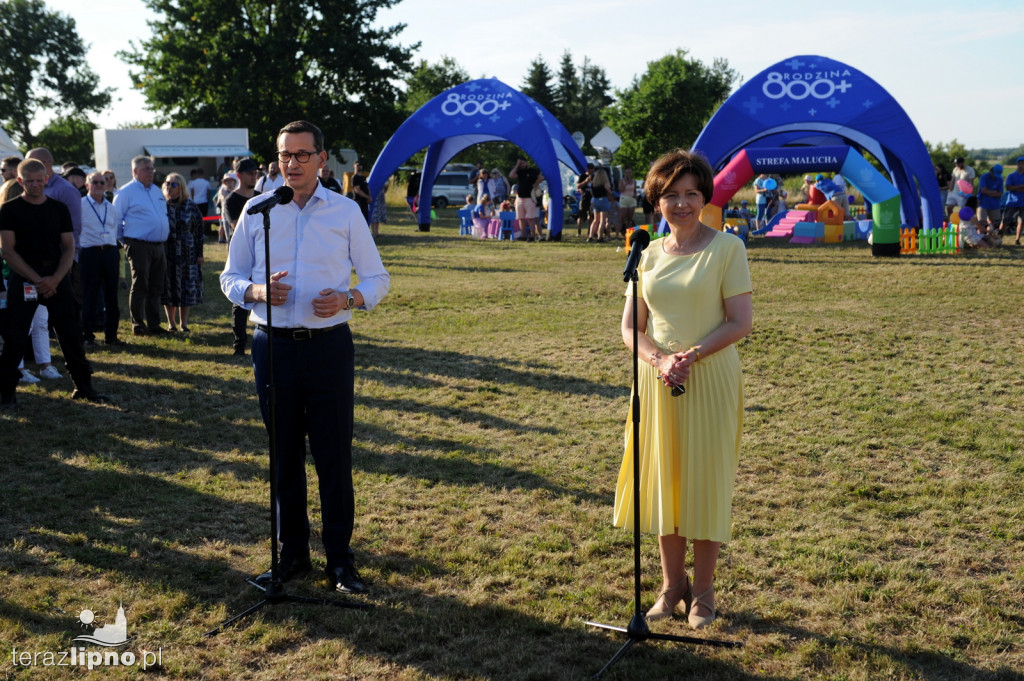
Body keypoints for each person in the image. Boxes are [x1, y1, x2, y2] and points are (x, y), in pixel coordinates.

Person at [220, 120, 390, 594]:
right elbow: (229, 277)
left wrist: (349, 299)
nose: (290, 164)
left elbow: (378, 278)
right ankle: (291, 554)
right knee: (283, 455)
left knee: (333, 455)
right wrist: (255, 290)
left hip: (328, 347)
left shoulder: (346, 212)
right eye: (284, 155)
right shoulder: (257, 210)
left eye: (301, 155)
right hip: (272, 346)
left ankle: (340, 561)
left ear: (321, 158)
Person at [614, 149, 752, 630]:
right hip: (658, 381)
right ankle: (672, 587)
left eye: (691, 193)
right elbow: (631, 327)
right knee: (664, 485)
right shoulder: (646, 255)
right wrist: (660, 360)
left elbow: (740, 321)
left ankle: (706, 593)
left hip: (709, 377)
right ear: (657, 201)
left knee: (704, 484)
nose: (682, 203)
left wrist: (689, 356)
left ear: (704, 196)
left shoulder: (727, 249)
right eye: (671, 195)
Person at [0, 159, 111, 412]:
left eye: (40, 180)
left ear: (47, 179)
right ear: (20, 182)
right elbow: (8, 250)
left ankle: (84, 387)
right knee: (16, 336)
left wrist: (55, 279)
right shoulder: (9, 210)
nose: (36, 185)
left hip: (57, 277)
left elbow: (69, 247)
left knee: (71, 332)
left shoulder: (59, 209)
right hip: (25, 278)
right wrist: (37, 279)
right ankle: (6, 395)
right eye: (30, 181)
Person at [113, 155, 170, 337]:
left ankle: (154, 324)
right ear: (135, 171)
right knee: (140, 285)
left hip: (158, 245)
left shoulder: (156, 191)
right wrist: (127, 242)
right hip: (138, 244)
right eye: (146, 168)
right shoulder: (126, 192)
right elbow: (116, 220)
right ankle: (138, 324)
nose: (151, 172)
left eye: (152, 168)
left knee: (156, 286)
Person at [80, 171, 124, 346]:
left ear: (106, 185)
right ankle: (88, 335)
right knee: (89, 294)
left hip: (110, 252)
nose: (99, 185)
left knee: (112, 295)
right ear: (87, 185)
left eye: (102, 182)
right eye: (95, 182)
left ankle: (111, 336)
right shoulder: (80, 205)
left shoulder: (110, 207)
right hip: (90, 253)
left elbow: (115, 231)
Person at [224, 160, 260, 355]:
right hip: (242, 256)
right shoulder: (231, 200)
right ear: (239, 175)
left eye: (255, 173)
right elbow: (238, 228)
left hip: (261, 255)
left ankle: (262, 340)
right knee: (241, 300)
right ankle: (239, 345)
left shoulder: (260, 198)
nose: (254, 176)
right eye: (249, 173)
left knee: (263, 296)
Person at [161, 172, 204, 333]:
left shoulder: (190, 206)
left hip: (188, 253)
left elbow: (199, 231)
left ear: (181, 187)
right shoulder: (162, 205)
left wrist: (200, 254)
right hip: (167, 252)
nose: (169, 187)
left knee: (186, 286)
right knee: (168, 286)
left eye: (173, 184)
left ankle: (183, 323)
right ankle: (171, 323)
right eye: (167, 183)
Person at [509, 157, 543, 242]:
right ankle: (523, 235)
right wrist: (517, 165)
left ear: (526, 162)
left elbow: (541, 177)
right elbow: (511, 175)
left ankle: (532, 236)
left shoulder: (532, 171)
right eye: (520, 164)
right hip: (520, 198)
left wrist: (535, 184)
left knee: (531, 218)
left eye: (523, 163)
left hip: (530, 197)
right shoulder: (520, 172)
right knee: (521, 218)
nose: (522, 165)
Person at [1001, 156, 1024, 244]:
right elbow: (1008, 187)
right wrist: (1020, 187)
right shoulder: (1011, 175)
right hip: (1011, 201)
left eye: (1023, 163)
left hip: (1023, 202)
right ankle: (999, 238)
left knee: (1021, 222)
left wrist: (1015, 188)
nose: (1021, 165)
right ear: (1017, 164)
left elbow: (1012, 187)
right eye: (1019, 163)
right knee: (1005, 220)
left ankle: (1017, 239)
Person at [587, 168, 613, 242]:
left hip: (595, 200)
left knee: (595, 220)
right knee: (602, 220)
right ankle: (600, 237)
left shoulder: (593, 184)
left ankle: (590, 236)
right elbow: (609, 192)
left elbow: (592, 193)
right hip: (603, 200)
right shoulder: (605, 183)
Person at [977, 164, 1004, 233]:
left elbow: (1000, 193)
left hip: (994, 204)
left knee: (992, 222)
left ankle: (989, 236)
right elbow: (983, 191)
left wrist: (989, 192)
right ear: (991, 171)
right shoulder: (984, 177)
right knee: (981, 222)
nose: (995, 176)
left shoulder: (1000, 179)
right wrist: (995, 192)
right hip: (983, 203)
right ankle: (980, 235)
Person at [576, 163, 594, 237]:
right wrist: (586, 181)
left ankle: (590, 231)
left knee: (591, 216)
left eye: (591, 168)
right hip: (584, 198)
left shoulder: (595, 177)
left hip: (592, 198)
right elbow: (578, 186)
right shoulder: (582, 176)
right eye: (588, 168)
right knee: (581, 215)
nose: (589, 170)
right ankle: (579, 231)